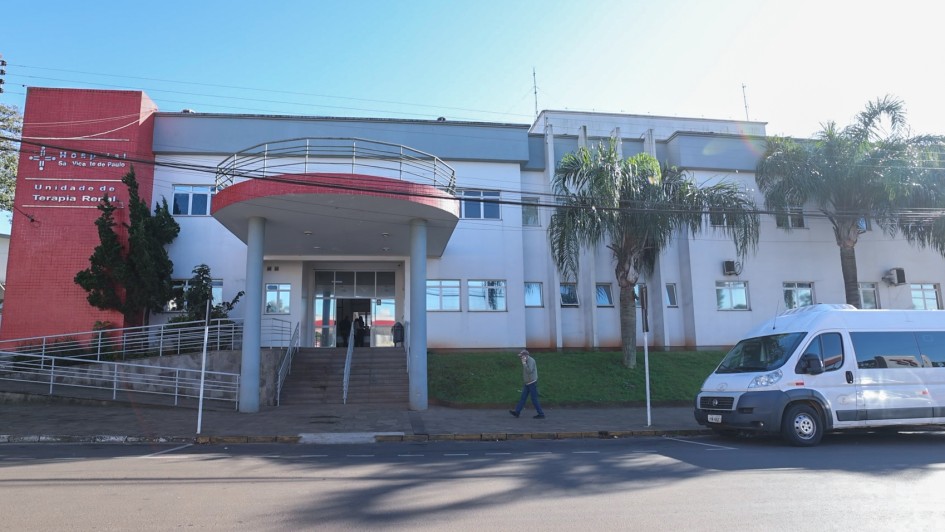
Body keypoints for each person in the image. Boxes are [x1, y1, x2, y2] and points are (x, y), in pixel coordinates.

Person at [509, 349, 545, 419]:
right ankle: (517, 412)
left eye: (522, 356)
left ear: (525, 356)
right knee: (523, 398)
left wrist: (524, 364)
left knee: (534, 399)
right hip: (528, 383)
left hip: (532, 383)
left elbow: (529, 371)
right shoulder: (526, 360)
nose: (521, 358)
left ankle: (541, 414)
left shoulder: (530, 361)